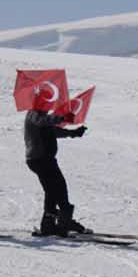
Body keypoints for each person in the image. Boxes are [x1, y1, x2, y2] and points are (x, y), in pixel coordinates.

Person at [23, 101, 90, 236]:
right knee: (57, 188)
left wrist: (74, 133)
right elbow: (43, 122)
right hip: (40, 160)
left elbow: (53, 130)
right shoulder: (33, 114)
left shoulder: (41, 116)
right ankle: (63, 222)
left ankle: (52, 223)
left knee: (53, 190)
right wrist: (62, 118)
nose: (49, 105)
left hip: (45, 160)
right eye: (47, 102)